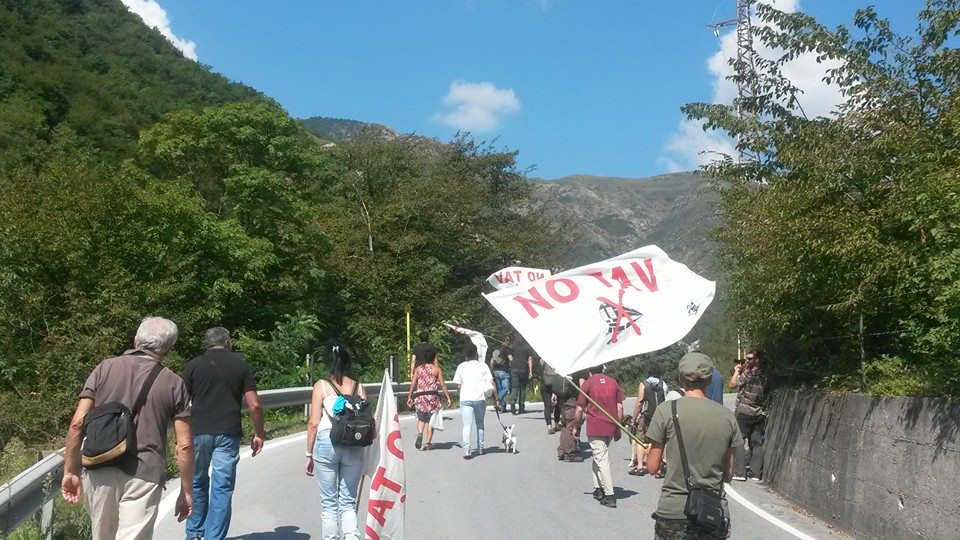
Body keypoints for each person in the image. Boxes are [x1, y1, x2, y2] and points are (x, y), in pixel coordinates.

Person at [61, 317, 193, 540]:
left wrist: (70, 471)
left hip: (100, 466)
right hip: (145, 473)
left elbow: (77, 423)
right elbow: (185, 445)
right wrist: (186, 491)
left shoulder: (104, 368)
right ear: (168, 349)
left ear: (136, 339)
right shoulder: (174, 383)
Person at [181, 327, 266, 540]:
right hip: (228, 433)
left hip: (198, 432)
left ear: (206, 344)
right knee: (222, 486)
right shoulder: (241, 364)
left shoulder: (193, 365)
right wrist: (259, 434)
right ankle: (214, 537)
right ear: (227, 343)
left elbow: (181, 403)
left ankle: (194, 533)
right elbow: (254, 405)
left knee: (197, 480)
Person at [646, 352, 740, 539]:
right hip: (711, 512)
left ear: (681, 378)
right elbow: (728, 474)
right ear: (709, 379)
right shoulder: (727, 416)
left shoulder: (666, 410)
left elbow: (651, 467)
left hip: (673, 511)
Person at [305, 343, 371, 540]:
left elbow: (314, 423)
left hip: (327, 443)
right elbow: (369, 421)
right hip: (354, 445)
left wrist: (308, 454)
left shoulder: (321, 386)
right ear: (347, 362)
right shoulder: (359, 387)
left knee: (329, 503)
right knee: (348, 502)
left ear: (327, 363)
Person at [575, 366, 624, 508]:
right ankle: (598, 488)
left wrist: (576, 427)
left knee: (601, 459)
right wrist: (618, 429)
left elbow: (579, 409)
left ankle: (610, 495)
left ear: (590, 372)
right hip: (610, 426)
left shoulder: (588, 383)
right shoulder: (613, 382)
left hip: (595, 427)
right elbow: (620, 407)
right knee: (598, 456)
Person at [729, 348, 767, 481]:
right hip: (759, 413)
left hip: (744, 413)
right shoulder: (764, 374)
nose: (747, 361)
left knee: (738, 441)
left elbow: (732, 384)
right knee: (757, 443)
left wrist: (736, 371)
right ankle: (755, 473)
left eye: (749, 358)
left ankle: (739, 472)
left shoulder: (748, 373)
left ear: (757, 360)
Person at [453, 341, 494, 459]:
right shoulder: (483, 366)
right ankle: (481, 447)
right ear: (476, 353)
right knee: (480, 423)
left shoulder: (461, 366)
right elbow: (491, 382)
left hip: (465, 398)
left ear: (466, 355)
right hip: (480, 398)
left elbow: (458, 385)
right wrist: (495, 397)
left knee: (467, 425)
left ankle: (467, 450)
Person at [407, 341, 451, 451]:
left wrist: (410, 396)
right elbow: (442, 384)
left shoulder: (418, 369)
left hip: (420, 396)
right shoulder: (436, 369)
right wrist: (448, 397)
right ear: (433, 358)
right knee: (431, 420)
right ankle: (428, 443)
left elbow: (413, 383)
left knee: (421, 418)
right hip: (432, 396)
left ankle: (420, 433)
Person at [508, 335, 534, 414]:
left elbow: (509, 357)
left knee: (514, 387)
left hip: (514, 368)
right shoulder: (527, 347)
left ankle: (512, 402)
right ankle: (521, 407)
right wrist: (530, 371)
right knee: (522, 388)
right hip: (523, 369)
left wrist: (513, 362)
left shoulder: (513, 346)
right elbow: (530, 359)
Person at [539, 359, 563, 434]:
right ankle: (556, 425)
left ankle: (549, 427)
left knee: (547, 406)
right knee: (557, 405)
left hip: (544, 385)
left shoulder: (543, 359)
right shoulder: (557, 360)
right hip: (555, 385)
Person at [488, 345, 511, 411]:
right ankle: (497, 399)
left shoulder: (495, 351)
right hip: (504, 371)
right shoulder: (506, 349)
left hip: (496, 372)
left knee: (500, 389)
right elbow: (510, 359)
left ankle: (502, 406)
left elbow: (492, 363)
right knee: (506, 389)